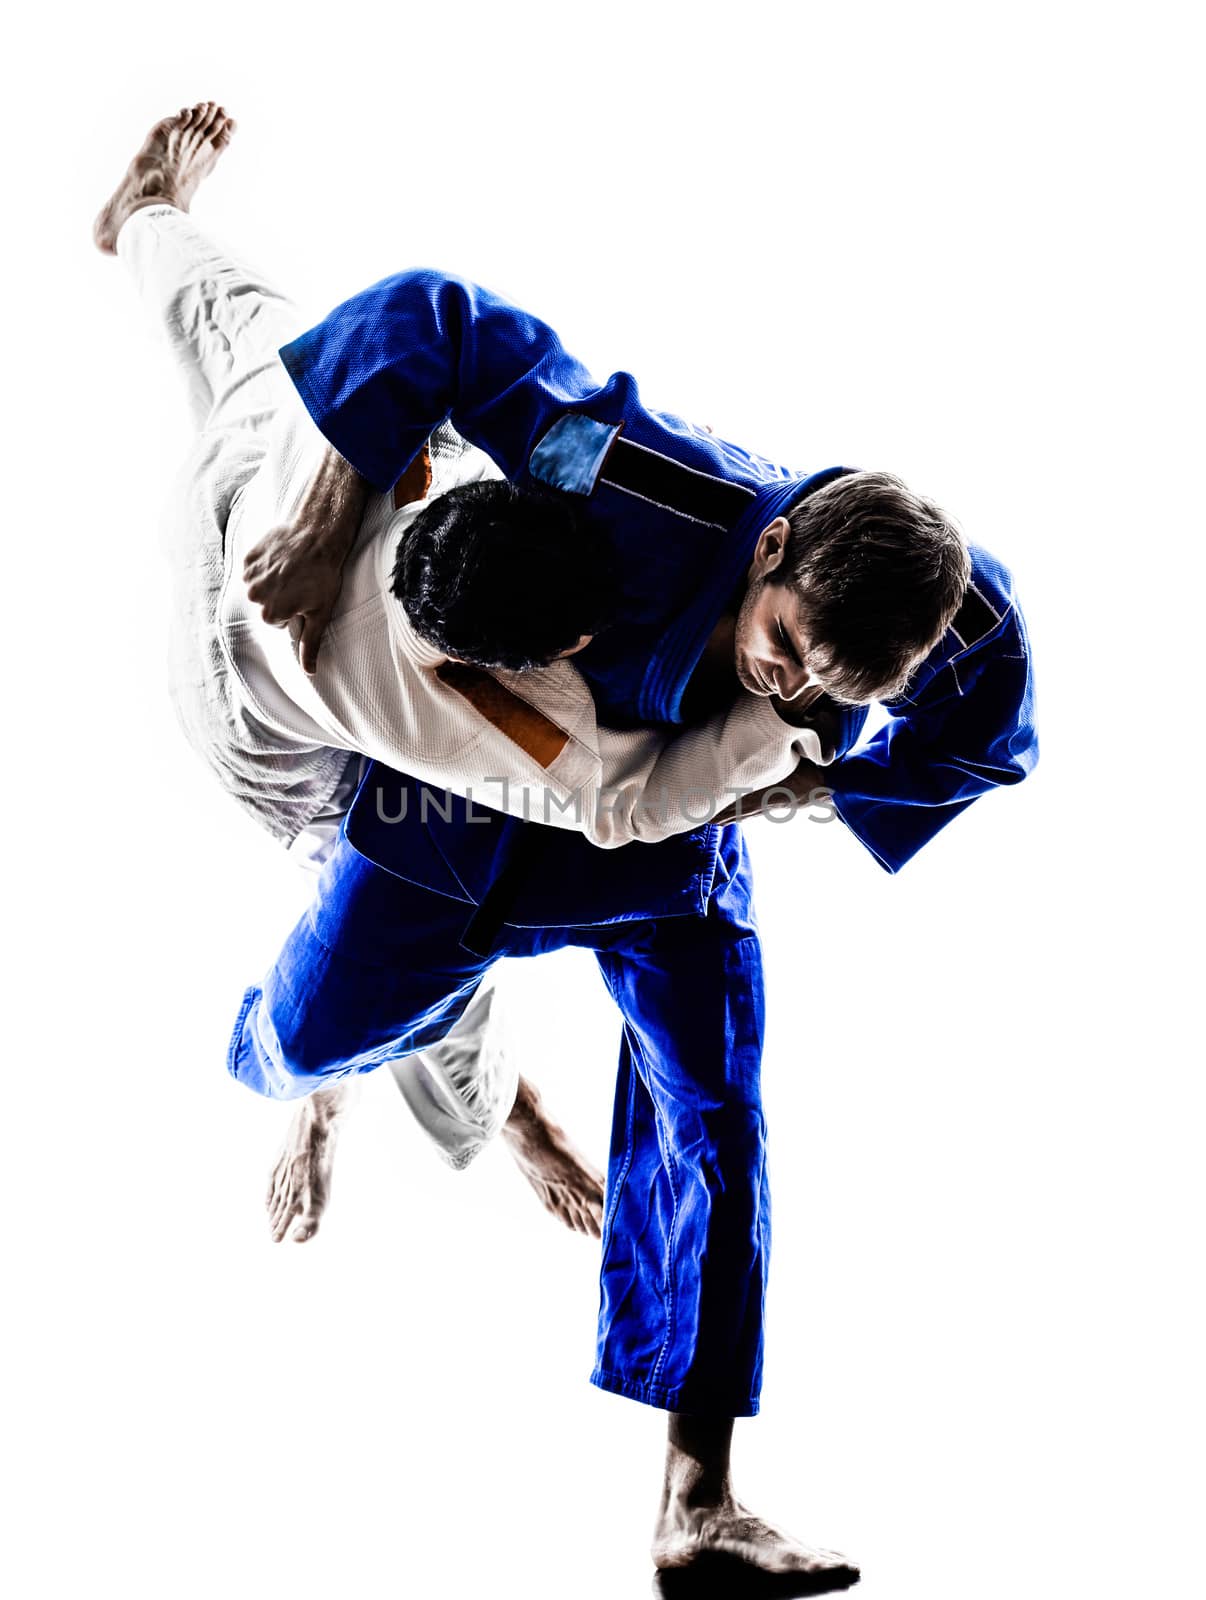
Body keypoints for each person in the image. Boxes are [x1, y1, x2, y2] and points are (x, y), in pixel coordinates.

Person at [95, 105, 1035, 1586]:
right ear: (772, 548)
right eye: (787, 650)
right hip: (452, 814)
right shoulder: (627, 475)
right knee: (309, 1035)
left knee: (712, 1106)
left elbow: (985, 719)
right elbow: (441, 321)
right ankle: (329, 1084)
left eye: (838, 689)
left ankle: (697, 1502)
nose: (791, 687)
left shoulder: (950, 621)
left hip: (669, 853)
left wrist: (811, 787)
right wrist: (340, 502)